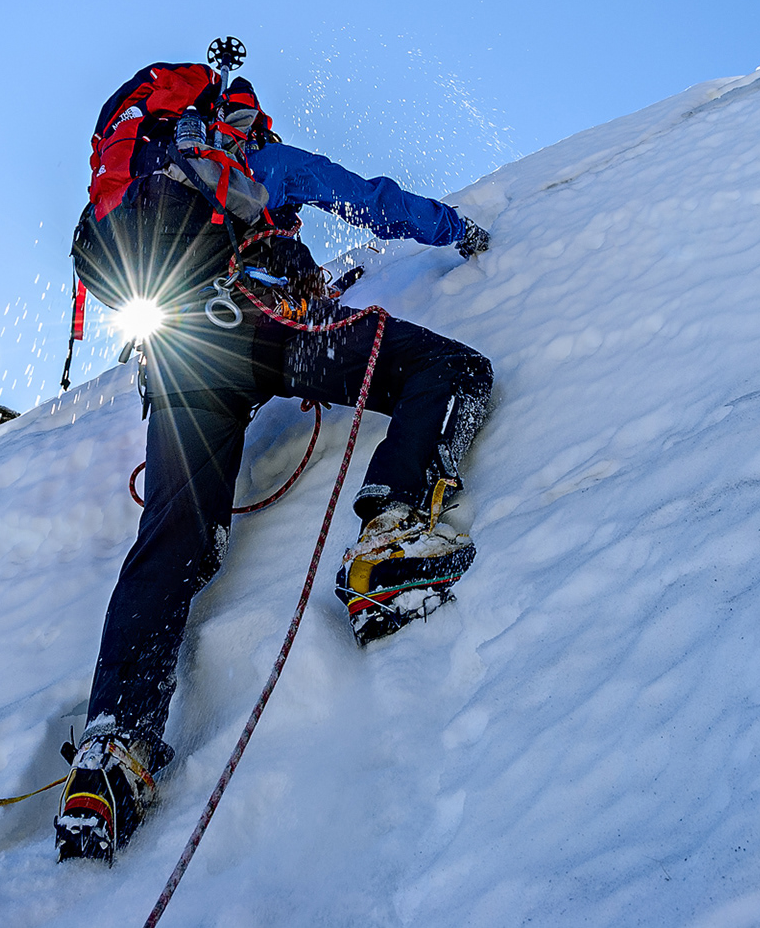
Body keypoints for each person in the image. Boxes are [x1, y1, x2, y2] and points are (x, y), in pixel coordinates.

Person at [56, 46, 494, 862]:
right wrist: (458, 228)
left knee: (174, 538)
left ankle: (112, 748)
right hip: (263, 325)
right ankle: (391, 534)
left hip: (181, 360)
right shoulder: (255, 161)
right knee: (451, 368)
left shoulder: (153, 177)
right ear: (247, 120)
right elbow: (367, 199)